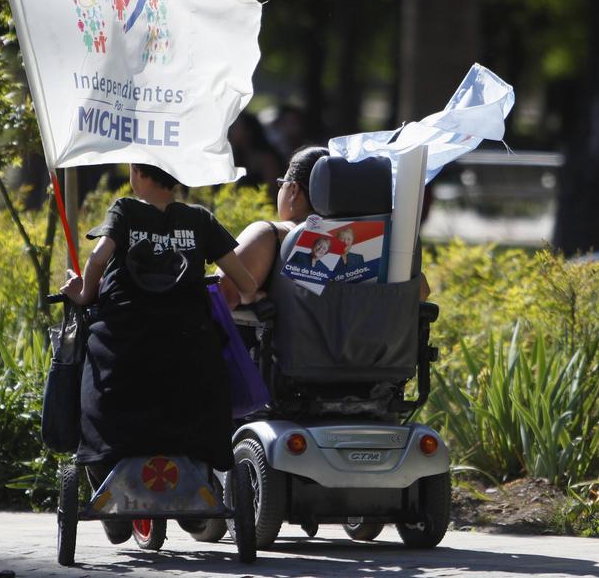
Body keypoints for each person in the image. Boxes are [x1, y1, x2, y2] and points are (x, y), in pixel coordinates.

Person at [61, 163, 256, 542]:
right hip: (189, 354)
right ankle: (195, 503)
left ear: (138, 173)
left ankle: (114, 508)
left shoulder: (125, 210)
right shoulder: (199, 219)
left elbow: (99, 257)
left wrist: (83, 293)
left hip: (124, 355)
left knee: (97, 409)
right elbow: (245, 283)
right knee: (201, 398)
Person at [218, 146, 431, 307]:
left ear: (293, 190)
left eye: (281, 184)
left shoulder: (271, 236)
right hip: (374, 354)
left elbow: (222, 295)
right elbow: (421, 293)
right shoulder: (389, 242)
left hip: (286, 353)